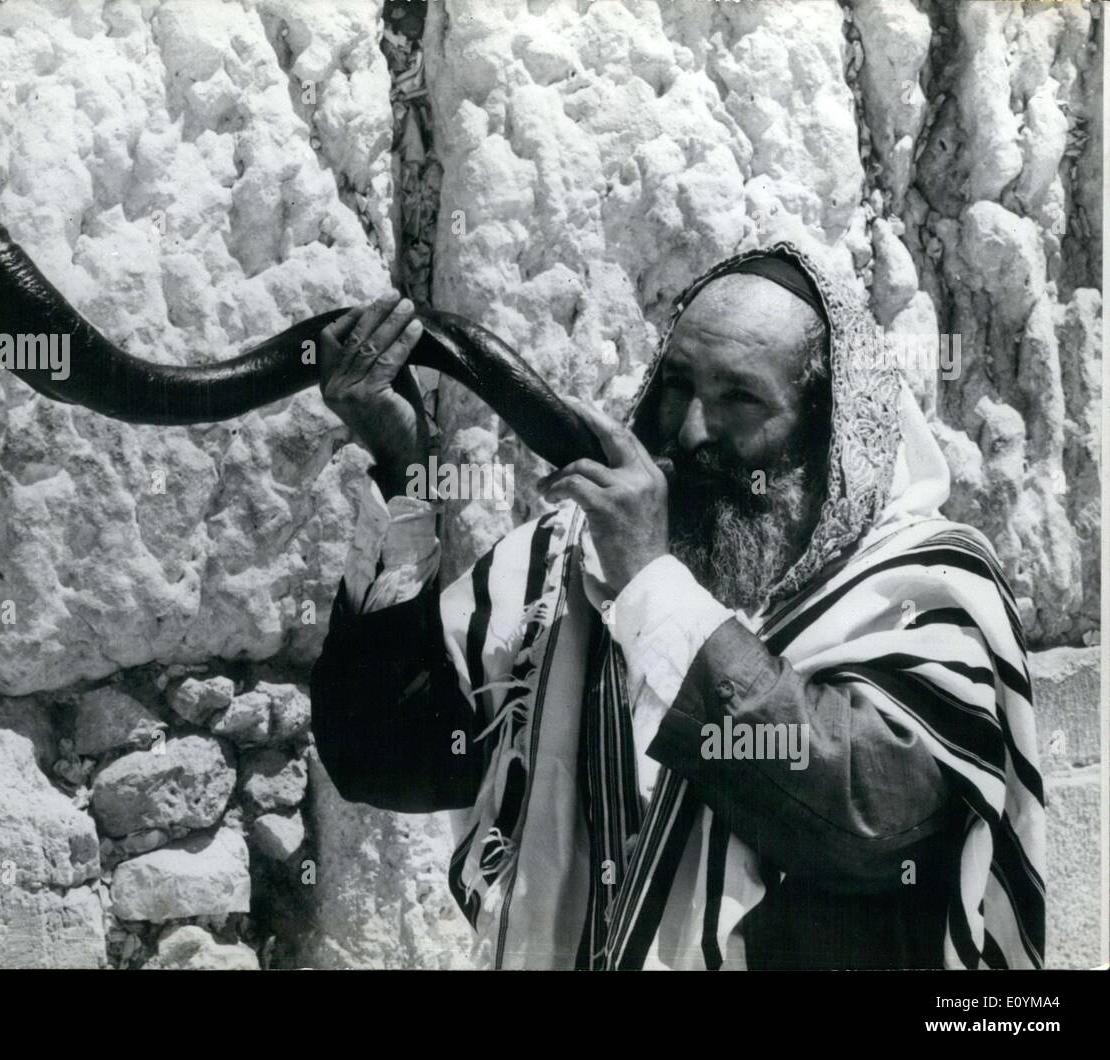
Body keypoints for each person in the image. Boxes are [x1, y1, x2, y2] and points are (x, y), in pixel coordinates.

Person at [309, 244, 1045, 971]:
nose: (691, 431)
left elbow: (871, 818)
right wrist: (406, 474)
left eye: (740, 398)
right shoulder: (565, 563)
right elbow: (384, 758)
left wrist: (651, 587)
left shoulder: (922, 585)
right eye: (677, 384)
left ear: (829, 429)